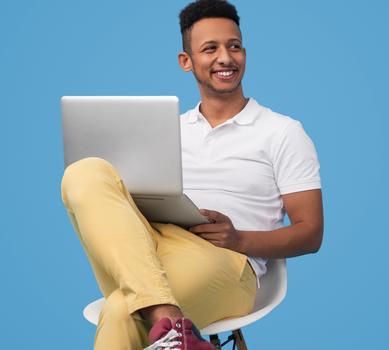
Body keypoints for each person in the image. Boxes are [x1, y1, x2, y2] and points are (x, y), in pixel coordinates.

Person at [60, 1, 323, 349]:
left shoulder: (282, 132)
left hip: (229, 261)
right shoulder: (164, 129)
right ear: (187, 61)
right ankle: (171, 323)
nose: (226, 58)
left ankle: (167, 324)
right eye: (210, 48)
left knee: (123, 309)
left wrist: (238, 239)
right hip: (150, 250)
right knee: (83, 172)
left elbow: (311, 233)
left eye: (234, 46)